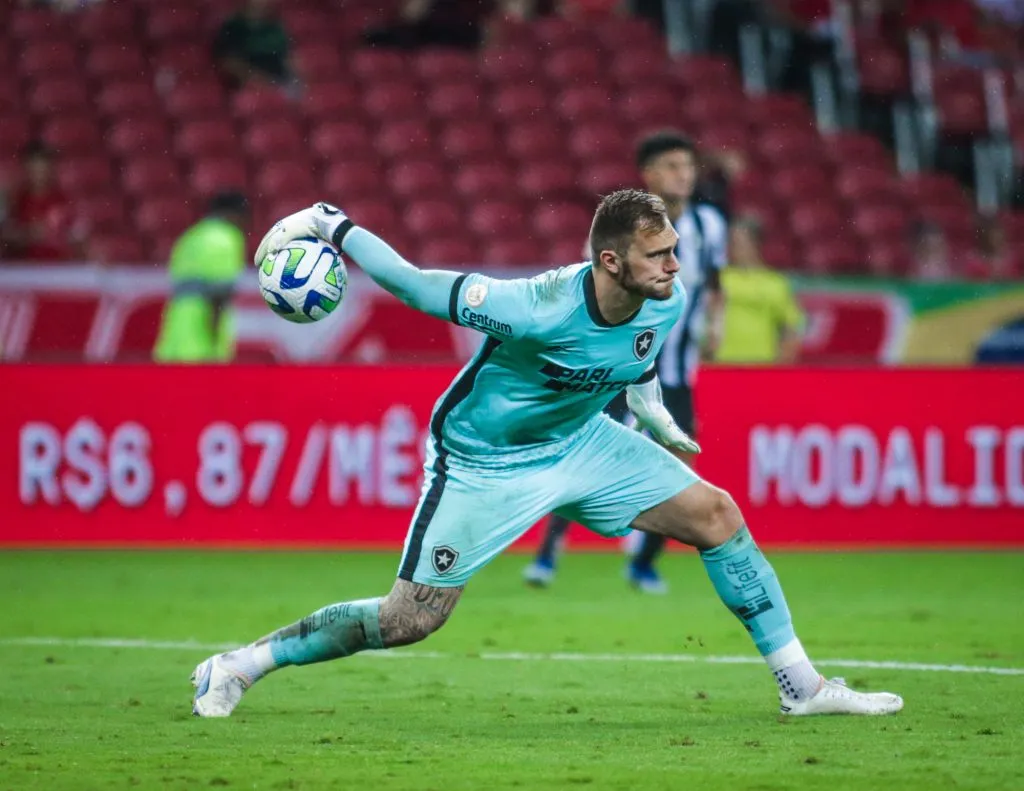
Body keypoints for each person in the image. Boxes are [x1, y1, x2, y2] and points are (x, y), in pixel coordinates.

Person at [190, 194, 903, 719]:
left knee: (717, 515)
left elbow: (637, 354)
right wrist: (330, 225)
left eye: (673, 250)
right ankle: (240, 665)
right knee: (409, 619)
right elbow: (411, 283)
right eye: (658, 255)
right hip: (483, 462)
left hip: (584, 441)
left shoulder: (667, 297)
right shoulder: (532, 305)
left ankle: (802, 687)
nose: (674, 265)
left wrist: (651, 408)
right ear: (610, 261)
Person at [523, 131, 727, 594]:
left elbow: (716, 283)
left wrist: (716, 324)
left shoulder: (709, 225)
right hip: (619, 364)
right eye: (672, 166)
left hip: (676, 368)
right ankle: (549, 552)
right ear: (649, 174)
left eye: (688, 166)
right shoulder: (620, 224)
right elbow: (591, 284)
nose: (684, 175)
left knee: (680, 462)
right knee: (587, 454)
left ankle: (644, 564)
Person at [153, 191, 248, 363]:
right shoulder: (227, 238)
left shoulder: (190, 236)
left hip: (175, 331)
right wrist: (214, 342)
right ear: (235, 214)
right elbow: (219, 294)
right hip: (201, 337)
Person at [717, 216, 804, 364]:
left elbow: (791, 327)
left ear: (756, 244)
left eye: (738, 242)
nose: (732, 247)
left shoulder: (776, 283)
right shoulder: (718, 279)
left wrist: (782, 362)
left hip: (762, 365)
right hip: (720, 364)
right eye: (730, 242)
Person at [1, 142, 77, 262]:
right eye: (33, 169)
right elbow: (6, 235)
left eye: (42, 168)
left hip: (57, 266)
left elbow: (76, 236)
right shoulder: (15, 200)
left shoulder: (64, 200)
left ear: (51, 169)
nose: (38, 174)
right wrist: (27, 234)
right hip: (23, 266)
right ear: (25, 169)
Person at [213, 0, 292, 89]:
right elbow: (228, 63)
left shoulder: (275, 27)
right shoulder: (233, 28)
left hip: (280, 81)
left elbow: (289, 57)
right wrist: (258, 79)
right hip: (244, 84)